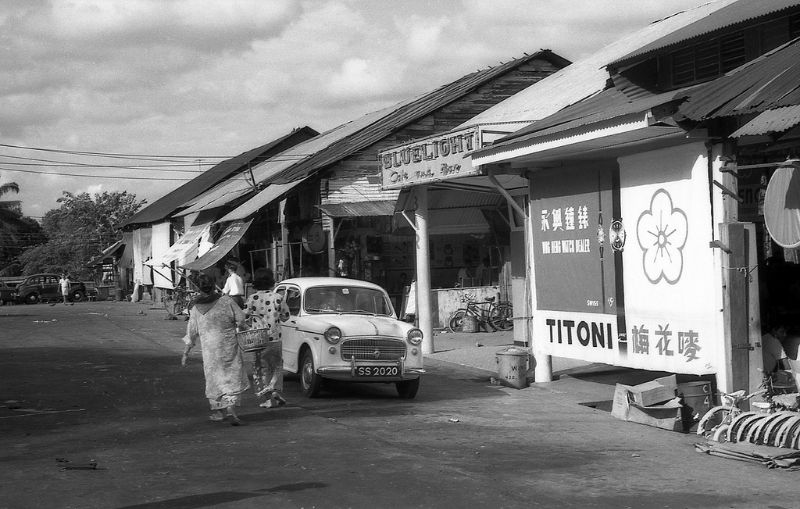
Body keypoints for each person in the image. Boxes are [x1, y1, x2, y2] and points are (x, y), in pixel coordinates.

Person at [182, 273, 249, 425]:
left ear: (198, 288)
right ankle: (231, 406)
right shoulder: (226, 301)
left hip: (210, 351)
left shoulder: (195, 308)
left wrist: (186, 353)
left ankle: (220, 412)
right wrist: (243, 327)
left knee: (214, 379)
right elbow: (241, 319)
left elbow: (191, 332)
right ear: (214, 285)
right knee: (230, 377)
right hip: (228, 347)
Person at [244, 268, 290, 408]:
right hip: (275, 338)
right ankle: (274, 389)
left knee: (260, 368)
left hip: (258, 339)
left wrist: (252, 322)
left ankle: (268, 398)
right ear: (271, 281)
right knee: (276, 366)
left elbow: (244, 318)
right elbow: (286, 315)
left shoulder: (252, 299)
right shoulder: (277, 297)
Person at [762, 323, 800, 390]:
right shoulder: (773, 341)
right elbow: (785, 364)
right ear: (774, 331)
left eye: (785, 332)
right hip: (767, 376)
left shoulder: (764, 337)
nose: (784, 335)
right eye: (781, 332)